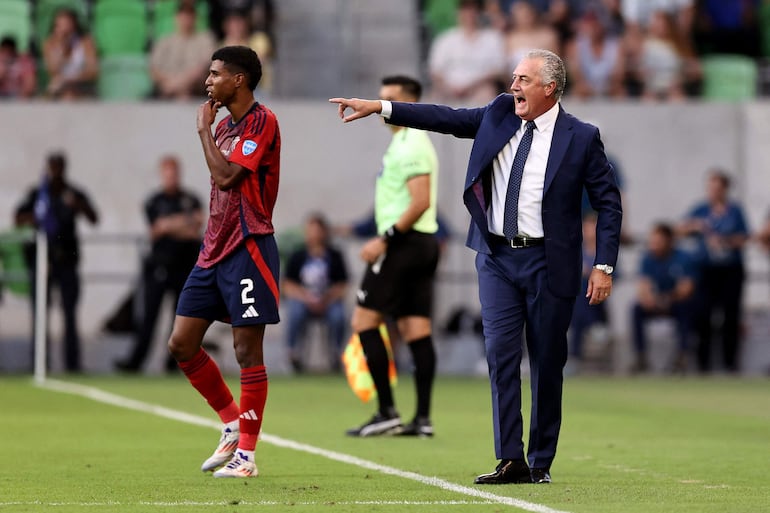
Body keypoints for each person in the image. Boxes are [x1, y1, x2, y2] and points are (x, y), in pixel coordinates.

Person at [330, 48, 622, 483]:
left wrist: (604, 265)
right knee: (500, 356)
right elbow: (443, 117)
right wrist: (382, 107)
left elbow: (608, 202)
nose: (513, 87)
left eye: (523, 80)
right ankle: (510, 458)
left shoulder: (580, 136)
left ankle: (539, 462)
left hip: (548, 261)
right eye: (513, 78)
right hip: (497, 257)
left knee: (545, 362)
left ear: (550, 88)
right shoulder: (499, 113)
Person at [167, 45, 281, 478]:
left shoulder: (261, 121)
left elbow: (228, 176)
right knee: (181, 342)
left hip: (248, 248)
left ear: (239, 80)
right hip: (212, 250)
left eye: (215, 74)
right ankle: (231, 423)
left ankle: (247, 457)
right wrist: (211, 133)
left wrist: (201, 132)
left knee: (246, 350)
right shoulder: (226, 127)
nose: (207, 80)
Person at [338, 75, 441, 439]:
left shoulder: (411, 141)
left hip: (404, 245)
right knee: (416, 329)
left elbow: (420, 200)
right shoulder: (406, 141)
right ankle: (423, 419)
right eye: (380, 98)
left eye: (390, 99)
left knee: (364, 322)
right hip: (422, 243)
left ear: (411, 102)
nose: (382, 107)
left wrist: (385, 239)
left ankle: (386, 411)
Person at [115, 156, 203, 373]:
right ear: (162, 175)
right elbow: (156, 229)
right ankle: (136, 361)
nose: (171, 178)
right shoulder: (154, 201)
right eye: (167, 173)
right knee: (149, 317)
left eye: (174, 173)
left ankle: (173, 362)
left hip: (185, 267)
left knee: (180, 319)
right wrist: (184, 222)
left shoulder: (190, 199)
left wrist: (170, 225)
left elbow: (196, 227)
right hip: (159, 267)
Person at [14, 152, 99, 372]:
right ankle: (39, 363)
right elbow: (18, 217)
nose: (56, 172)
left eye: (59, 167)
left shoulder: (72, 193)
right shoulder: (38, 194)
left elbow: (93, 217)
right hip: (42, 260)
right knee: (40, 313)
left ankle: (72, 364)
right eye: (52, 167)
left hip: (67, 260)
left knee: (70, 314)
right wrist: (36, 216)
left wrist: (77, 205)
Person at [679, 170, 749, 373]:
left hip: (730, 270)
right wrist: (697, 226)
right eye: (710, 188)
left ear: (725, 189)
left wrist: (725, 241)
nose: (713, 192)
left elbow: (744, 237)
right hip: (706, 269)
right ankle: (703, 364)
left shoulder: (735, 211)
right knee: (703, 315)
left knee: (730, 316)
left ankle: (730, 363)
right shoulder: (701, 210)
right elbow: (680, 228)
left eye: (717, 188)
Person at [282, 213, 348, 373]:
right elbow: (287, 285)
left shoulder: (335, 256)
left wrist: (325, 299)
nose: (314, 234)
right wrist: (306, 298)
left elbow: (342, 285)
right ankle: (293, 353)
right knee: (295, 311)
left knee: (338, 315)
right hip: (303, 301)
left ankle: (336, 353)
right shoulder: (297, 255)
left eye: (318, 230)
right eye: (311, 230)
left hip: (328, 301)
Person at [631, 222, 695, 373]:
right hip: (656, 302)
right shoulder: (648, 259)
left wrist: (668, 298)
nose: (654, 246)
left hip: (675, 302)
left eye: (658, 242)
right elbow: (643, 285)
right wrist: (648, 298)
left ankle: (681, 356)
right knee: (636, 309)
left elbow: (686, 288)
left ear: (669, 242)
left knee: (686, 308)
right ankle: (641, 357)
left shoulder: (683, 258)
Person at [428, 0, 506, 104]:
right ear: (458, 13)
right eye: (465, 10)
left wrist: (472, 86)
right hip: (449, 88)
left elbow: (499, 69)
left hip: (480, 88)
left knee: (488, 92)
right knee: (435, 95)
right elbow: (435, 71)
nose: (469, 14)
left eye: (472, 10)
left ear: (479, 13)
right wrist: (449, 87)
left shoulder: (492, 38)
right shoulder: (445, 39)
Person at [149, 2, 216, 100]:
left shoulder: (205, 39)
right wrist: (169, 85)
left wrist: (179, 84)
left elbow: (205, 66)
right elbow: (154, 69)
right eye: (183, 16)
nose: (186, 20)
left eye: (189, 16)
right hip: (166, 90)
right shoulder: (165, 41)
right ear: (176, 17)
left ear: (195, 18)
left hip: (195, 91)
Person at [42, 8, 98, 99]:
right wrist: (61, 47)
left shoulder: (86, 42)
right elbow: (53, 71)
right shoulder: (49, 44)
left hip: (82, 82)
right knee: (57, 88)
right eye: (59, 25)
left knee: (69, 93)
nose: (64, 29)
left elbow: (93, 71)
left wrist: (72, 79)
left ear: (74, 25)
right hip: (60, 85)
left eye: (66, 24)